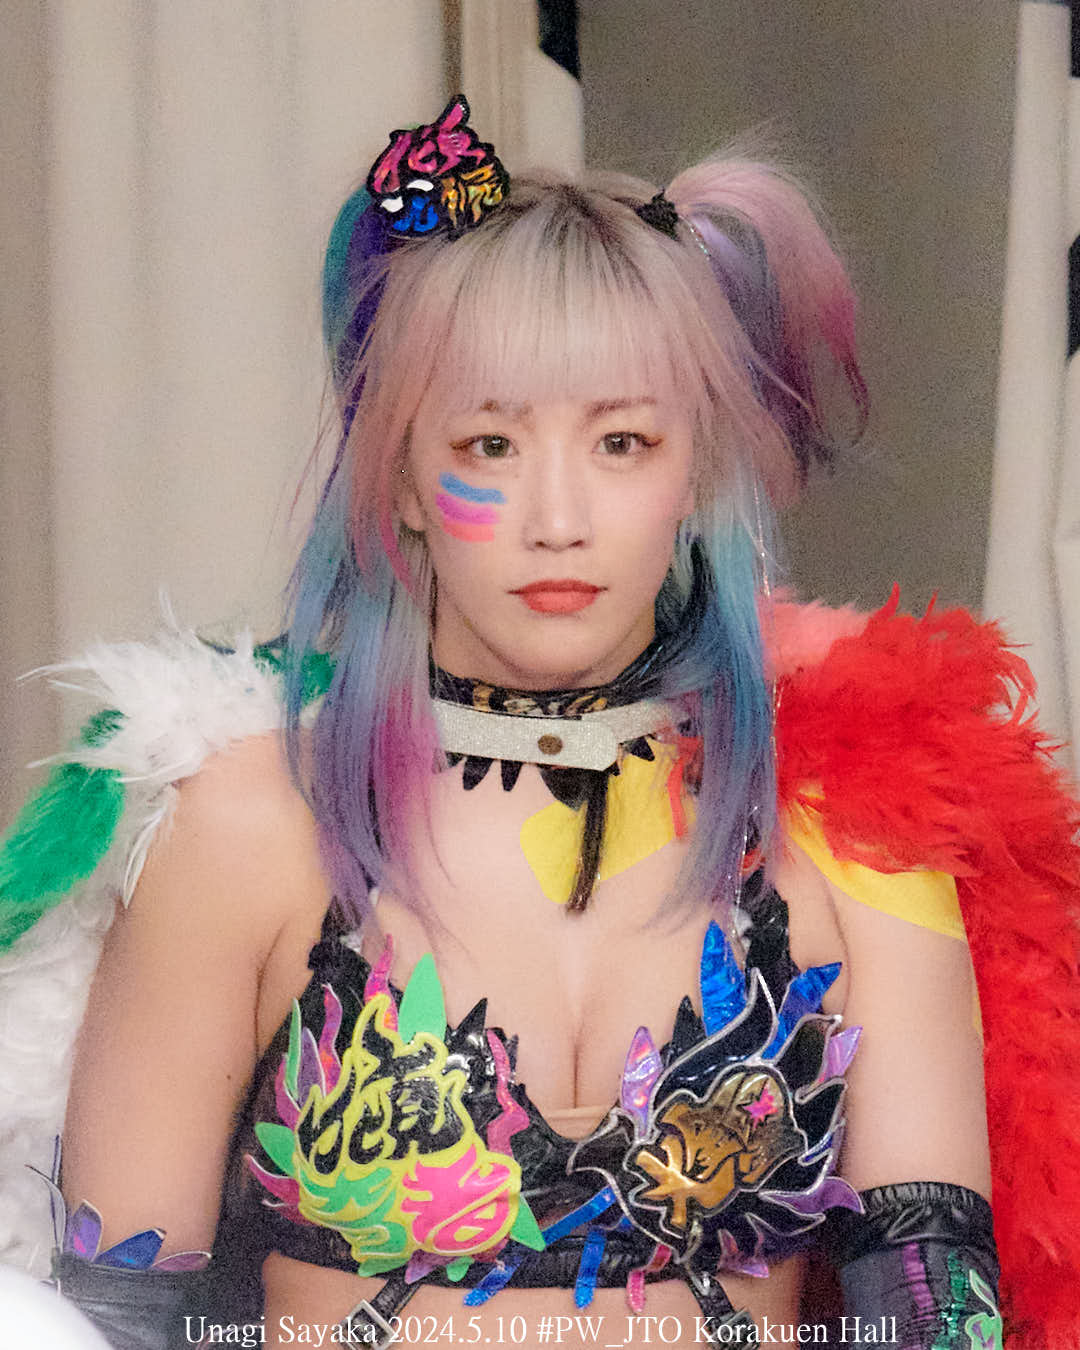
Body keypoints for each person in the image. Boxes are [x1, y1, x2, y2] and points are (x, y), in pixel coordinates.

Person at [1, 95, 1078, 1350]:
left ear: (694, 471)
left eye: (621, 441)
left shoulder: (860, 831)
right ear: (400, 476)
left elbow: (943, 1324)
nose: (557, 519)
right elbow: (105, 1329)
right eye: (490, 445)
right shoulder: (242, 825)